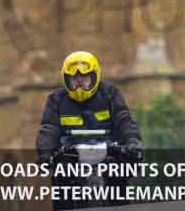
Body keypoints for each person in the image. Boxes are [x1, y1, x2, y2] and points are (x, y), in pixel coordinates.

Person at [36, 51, 143, 207]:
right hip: (70, 154)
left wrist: (133, 143)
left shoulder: (109, 94)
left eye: (84, 77)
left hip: (108, 150)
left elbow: (124, 121)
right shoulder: (57, 99)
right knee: (61, 179)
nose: (79, 83)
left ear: (94, 76)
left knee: (120, 175)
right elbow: (49, 129)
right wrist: (45, 153)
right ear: (66, 79)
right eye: (74, 78)